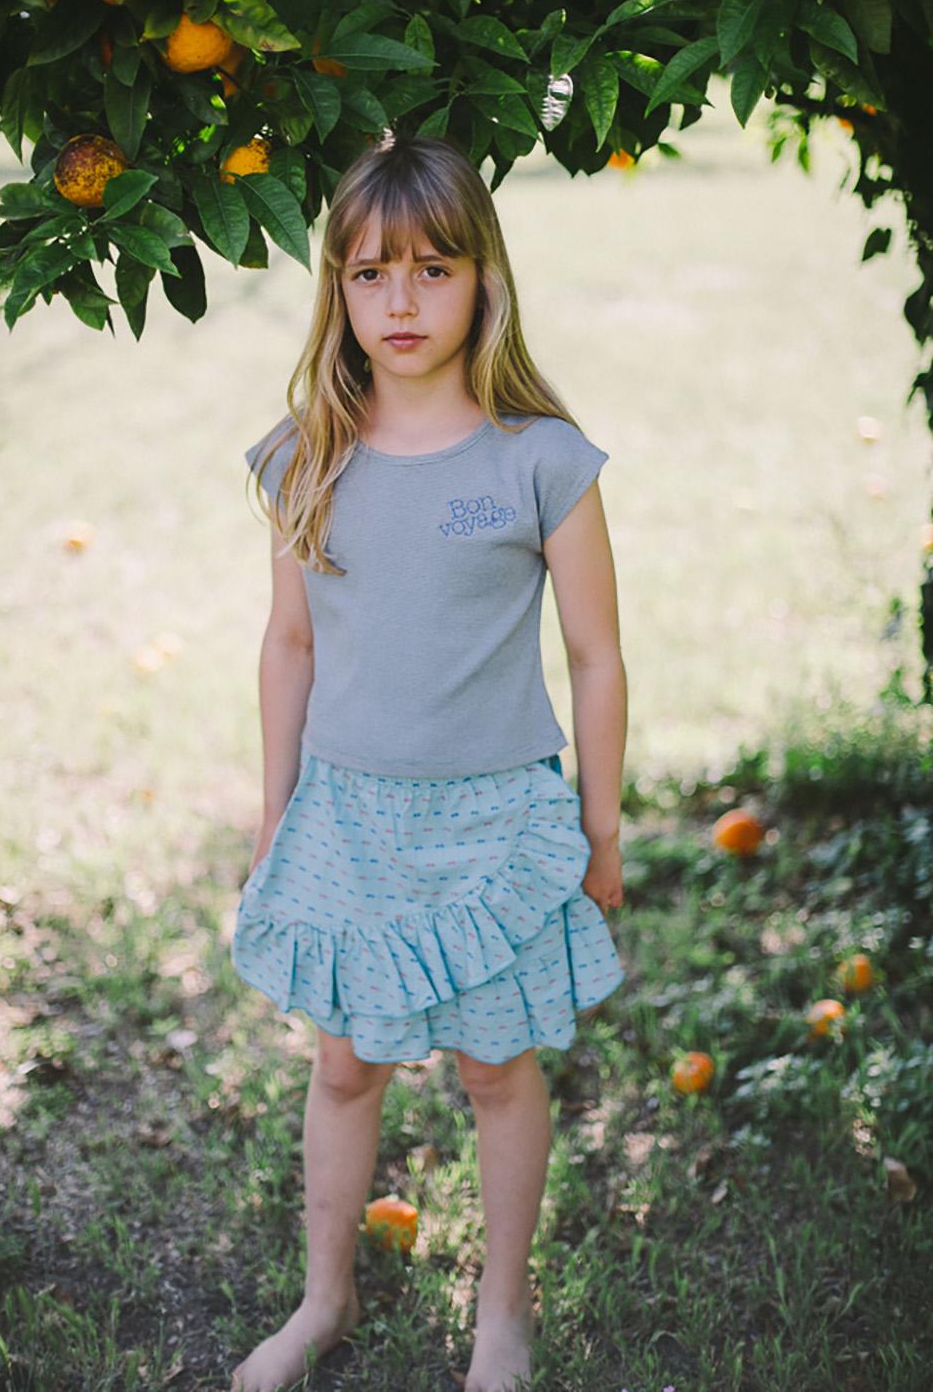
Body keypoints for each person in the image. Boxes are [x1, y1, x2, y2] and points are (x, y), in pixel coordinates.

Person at [229, 131, 628, 1392]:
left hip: (497, 816)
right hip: (346, 816)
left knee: (494, 1068)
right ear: (335, 291)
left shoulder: (539, 459)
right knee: (344, 1062)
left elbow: (596, 657)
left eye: (432, 269)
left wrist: (598, 828)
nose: (399, 302)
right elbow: (288, 647)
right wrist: (274, 811)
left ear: (483, 280)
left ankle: (501, 1315)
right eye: (367, 274)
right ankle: (323, 1296)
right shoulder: (306, 454)